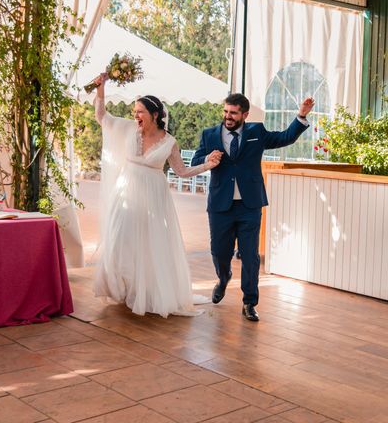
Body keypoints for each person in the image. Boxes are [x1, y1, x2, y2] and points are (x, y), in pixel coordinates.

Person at [91, 73, 222, 317]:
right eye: (134, 111)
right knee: (120, 238)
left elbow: (181, 171)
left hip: (153, 195)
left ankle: (147, 291)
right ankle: (122, 287)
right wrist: (101, 90)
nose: (135, 115)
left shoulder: (169, 141)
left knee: (149, 243)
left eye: (140, 111)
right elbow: (102, 117)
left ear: (154, 115)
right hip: (126, 191)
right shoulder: (129, 129)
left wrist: (207, 165)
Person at [191, 93, 314, 321]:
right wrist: (208, 158)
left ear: (245, 115)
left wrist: (301, 116)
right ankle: (224, 276)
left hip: (250, 205)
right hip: (220, 205)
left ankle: (249, 302)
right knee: (219, 252)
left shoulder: (256, 132)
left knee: (250, 256)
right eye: (226, 111)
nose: (228, 116)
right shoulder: (209, 135)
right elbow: (194, 162)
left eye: (233, 113)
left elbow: (284, 137)